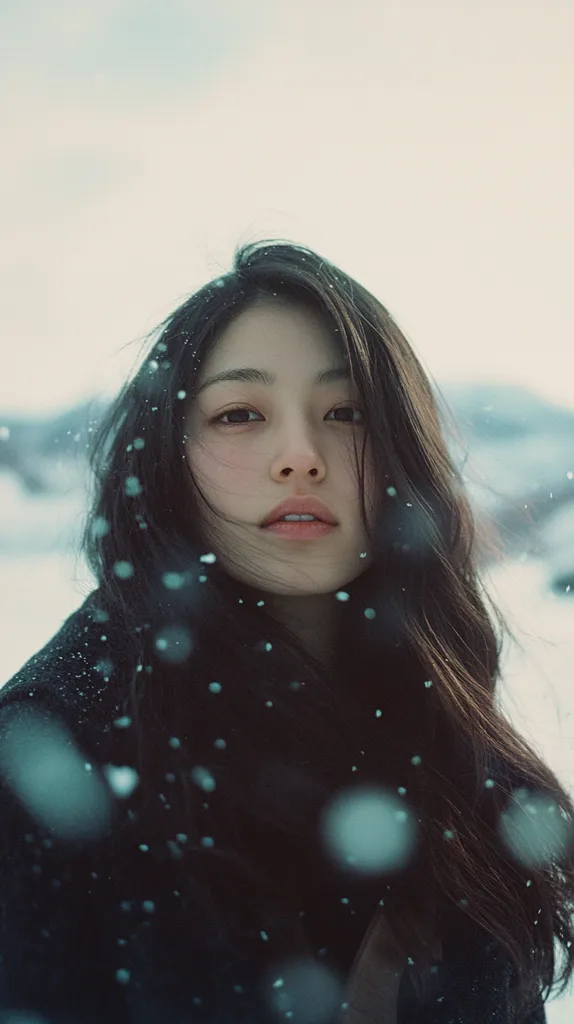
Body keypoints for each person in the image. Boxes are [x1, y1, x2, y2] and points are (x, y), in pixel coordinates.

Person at [0, 239, 570, 1023]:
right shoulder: (53, 745)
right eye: (240, 415)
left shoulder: (434, 706)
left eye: (347, 413)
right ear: (171, 452)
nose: (300, 457)